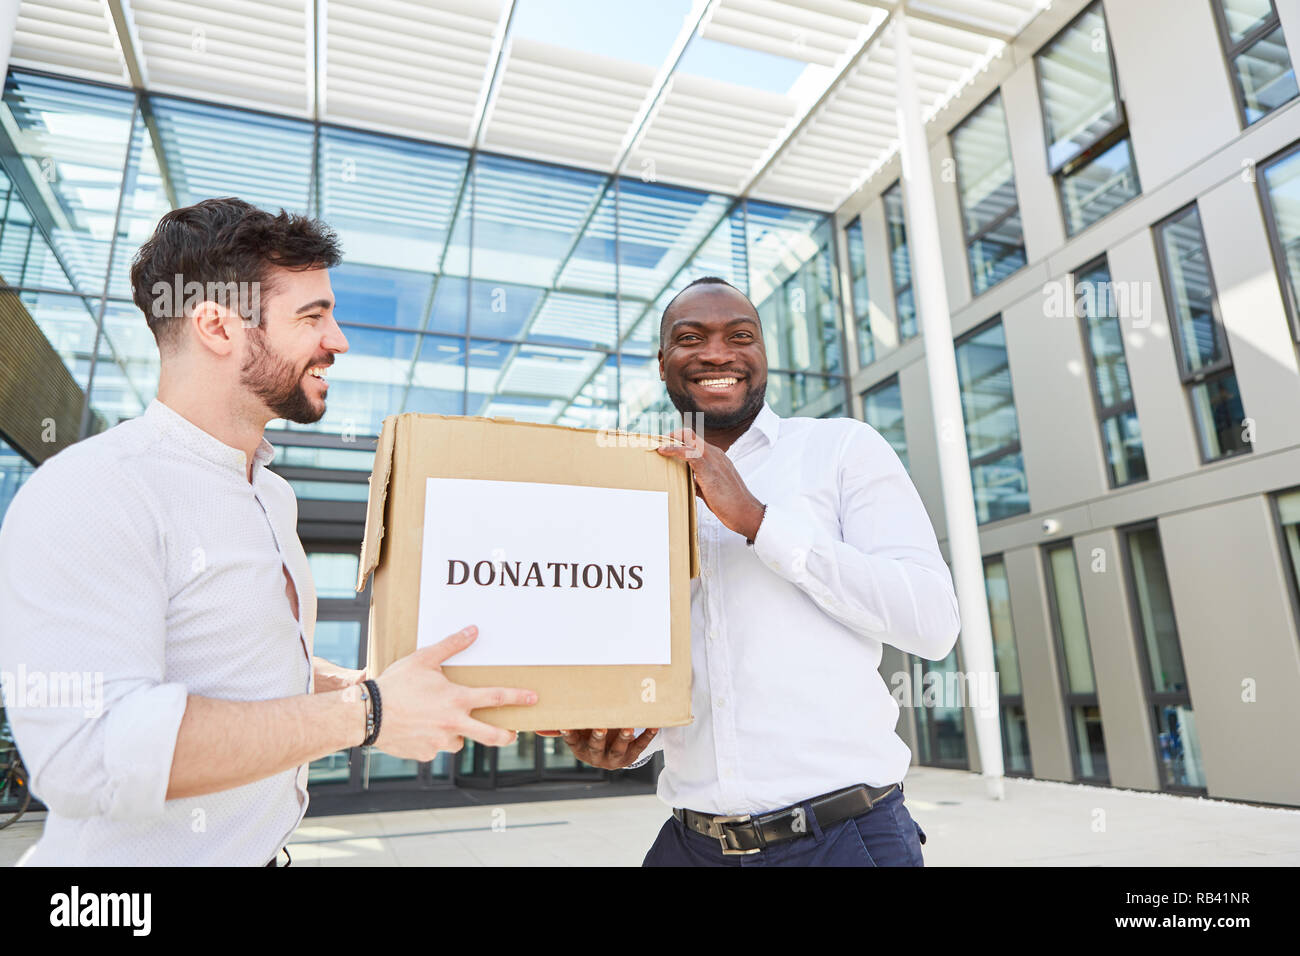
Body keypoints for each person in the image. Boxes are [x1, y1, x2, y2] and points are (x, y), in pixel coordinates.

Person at [0, 197, 536, 866]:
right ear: (219, 327)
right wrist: (368, 712)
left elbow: (238, 661)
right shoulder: (93, 490)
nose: (337, 341)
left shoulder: (269, 493)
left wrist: (368, 686)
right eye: (312, 317)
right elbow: (90, 755)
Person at [548, 276, 960, 866]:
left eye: (740, 336)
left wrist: (758, 521)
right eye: (691, 338)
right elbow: (647, 656)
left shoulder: (842, 449)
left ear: (762, 355)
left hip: (844, 838)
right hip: (691, 844)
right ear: (663, 363)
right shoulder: (626, 484)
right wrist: (627, 743)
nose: (717, 353)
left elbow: (932, 623)